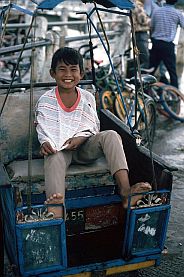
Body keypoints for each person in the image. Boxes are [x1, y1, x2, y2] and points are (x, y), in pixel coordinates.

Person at [35, 47, 151, 218]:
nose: (68, 74)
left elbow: (92, 125)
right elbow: (43, 127)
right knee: (53, 158)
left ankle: (126, 192)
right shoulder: (45, 100)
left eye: (73, 70)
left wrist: (81, 138)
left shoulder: (87, 97)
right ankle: (56, 209)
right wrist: (45, 143)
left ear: (81, 74)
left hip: (84, 148)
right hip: (59, 151)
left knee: (111, 135)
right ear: (53, 73)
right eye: (62, 70)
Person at [149, 0, 184, 88]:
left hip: (156, 44)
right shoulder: (177, 13)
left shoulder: (156, 11)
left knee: (151, 70)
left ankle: (145, 92)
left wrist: (153, 39)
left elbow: (151, 27)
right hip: (168, 45)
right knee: (172, 72)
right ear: (175, 2)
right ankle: (175, 94)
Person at [132, 0, 151, 69]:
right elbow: (143, 20)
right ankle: (143, 76)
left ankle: (138, 75)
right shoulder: (138, 6)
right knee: (145, 58)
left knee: (139, 57)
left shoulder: (133, 5)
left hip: (137, 34)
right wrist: (151, 20)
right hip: (141, 34)